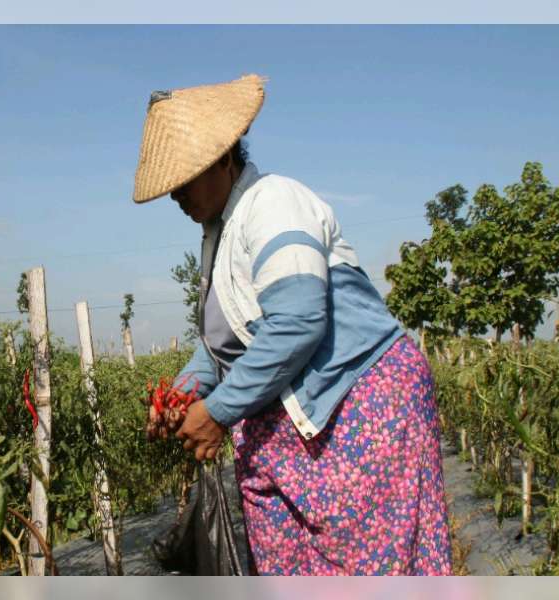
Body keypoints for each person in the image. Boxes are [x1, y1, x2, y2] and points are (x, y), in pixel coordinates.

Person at [132, 74, 452, 576]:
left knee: (367, 566)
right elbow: (222, 346)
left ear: (222, 157)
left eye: (183, 181)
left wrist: (218, 412)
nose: (177, 197)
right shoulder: (219, 236)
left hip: (358, 408)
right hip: (298, 429)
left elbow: (298, 321)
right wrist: (182, 394)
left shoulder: (273, 202)